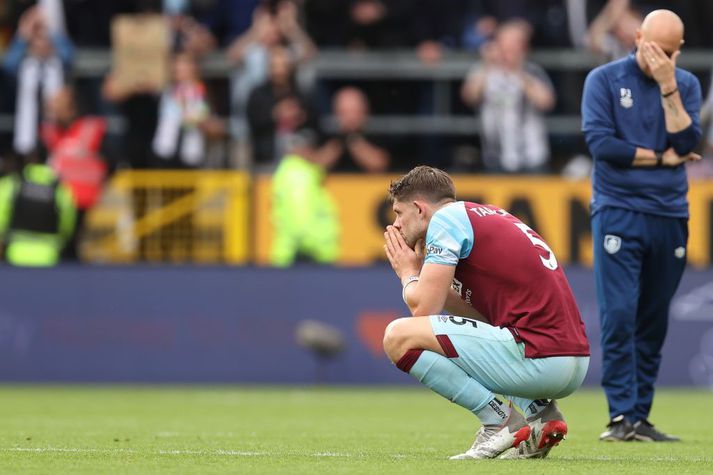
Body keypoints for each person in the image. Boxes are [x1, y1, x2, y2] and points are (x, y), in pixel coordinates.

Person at [382, 166, 590, 459]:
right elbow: (478, 318)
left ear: (419, 208)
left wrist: (408, 274)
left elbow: (423, 308)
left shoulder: (445, 220)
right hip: (571, 361)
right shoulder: (484, 215)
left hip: (538, 356)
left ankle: (498, 421)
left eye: (398, 213)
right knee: (452, 337)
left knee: (397, 336)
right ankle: (541, 413)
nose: (396, 224)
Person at [581, 9, 702, 442]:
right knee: (618, 315)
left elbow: (689, 142)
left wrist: (669, 85)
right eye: (654, 48)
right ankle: (619, 416)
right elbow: (602, 145)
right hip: (618, 208)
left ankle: (640, 415)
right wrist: (660, 156)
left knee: (653, 319)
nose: (659, 57)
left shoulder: (685, 84)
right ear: (637, 37)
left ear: (678, 50)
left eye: (669, 52)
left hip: (670, 212)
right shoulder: (604, 80)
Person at [461, 20, 555, 173]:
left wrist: (518, 72)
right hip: (495, 157)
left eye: (513, 45)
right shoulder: (484, 69)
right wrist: (487, 64)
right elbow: (469, 96)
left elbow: (546, 102)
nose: (507, 50)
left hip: (531, 157)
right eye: (503, 44)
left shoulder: (532, 71)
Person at [0, 153, 76, 266]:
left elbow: (1, 215)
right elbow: (67, 222)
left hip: (15, 252)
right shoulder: (61, 189)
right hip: (50, 255)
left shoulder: (13, 183)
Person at [329, 87, 390, 173]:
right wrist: (339, 143)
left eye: (354, 111)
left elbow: (379, 165)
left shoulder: (377, 132)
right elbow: (316, 165)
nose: (350, 118)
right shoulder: (327, 131)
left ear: (365, 111)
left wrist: (352, 139)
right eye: (344, 112)